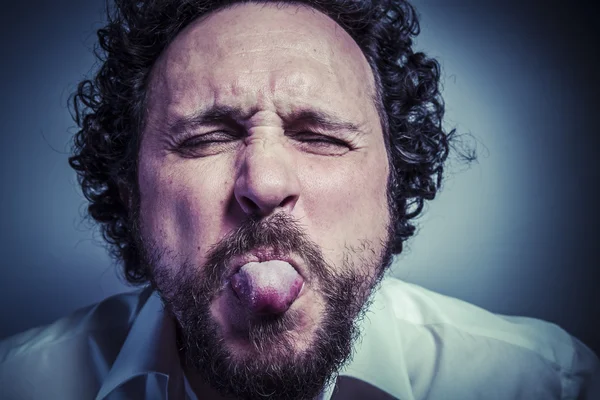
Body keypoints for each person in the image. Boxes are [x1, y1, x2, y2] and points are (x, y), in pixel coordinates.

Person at [0, 0, 598, 399]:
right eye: (207, 138)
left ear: (395, 185)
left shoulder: (549, 384)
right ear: (132, 197)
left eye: (320, 136)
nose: (263, 183)